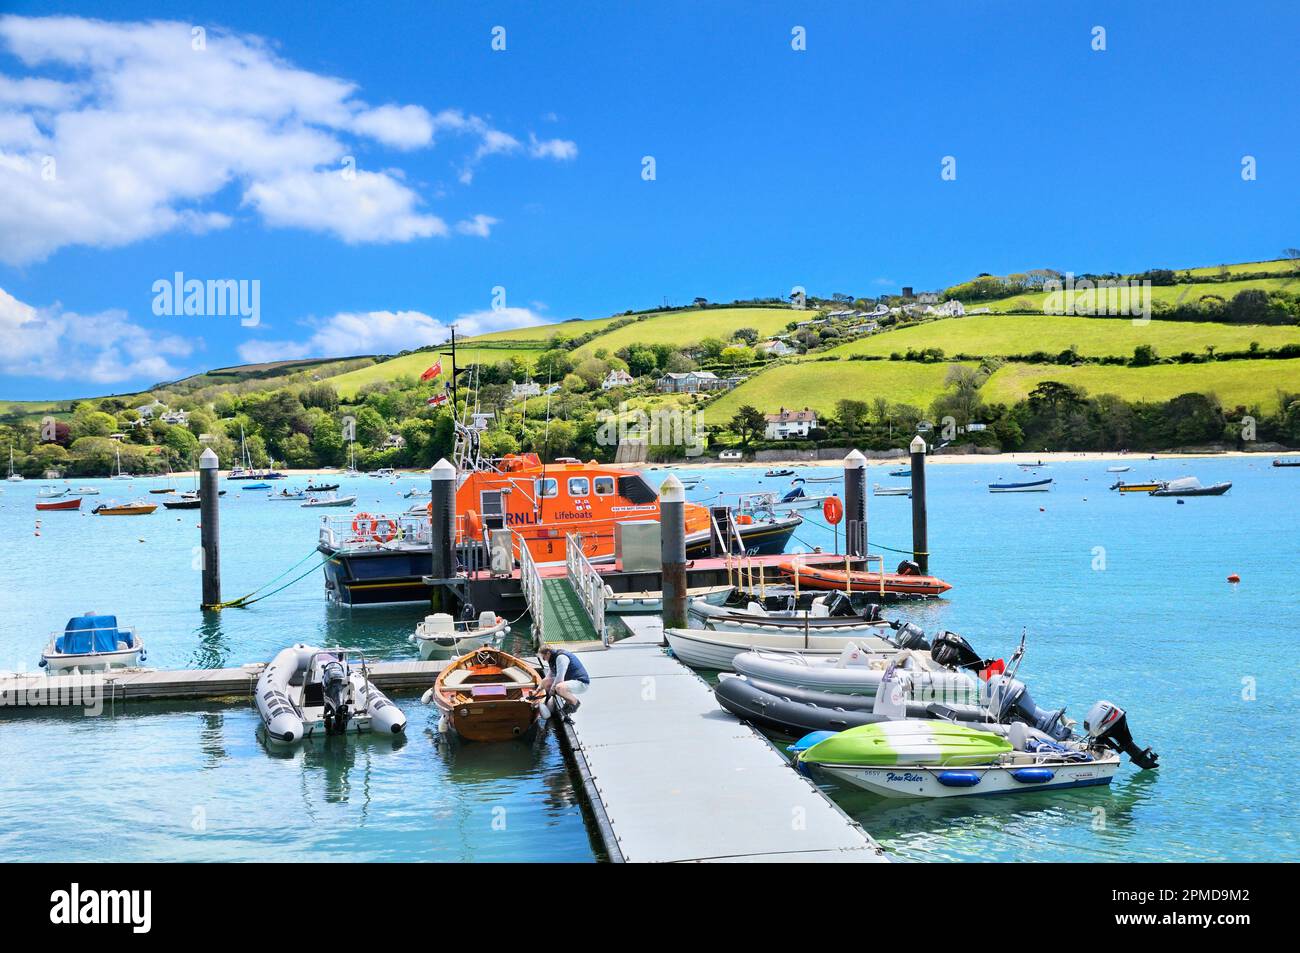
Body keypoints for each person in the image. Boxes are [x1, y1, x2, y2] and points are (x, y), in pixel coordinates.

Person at [537, 644, 590, 718]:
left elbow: (560, 678)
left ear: (548, 653)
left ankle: (574, 702)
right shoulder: (552, 658)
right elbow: (547, 677)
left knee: (559, 687)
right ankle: (566, 701)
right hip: (570, 681)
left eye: (543, 657)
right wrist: (538, 690)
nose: (544, 660)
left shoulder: (561, 658)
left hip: (581, 683)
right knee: (547, 683)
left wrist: (552, 690)